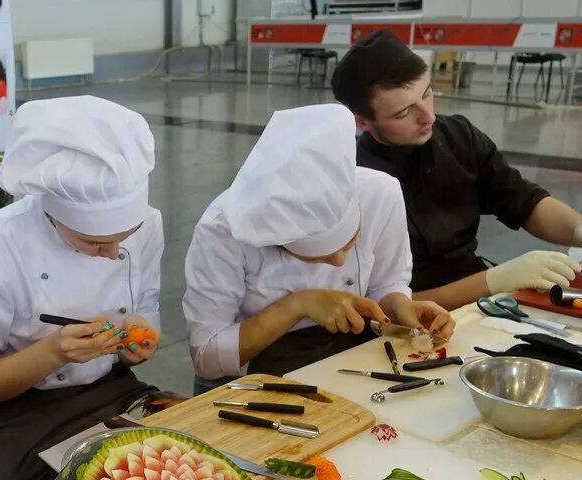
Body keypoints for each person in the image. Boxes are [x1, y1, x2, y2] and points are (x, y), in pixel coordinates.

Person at [331, 30, 582, 309]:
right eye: (404, 112)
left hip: (481, 301)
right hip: (411, 320)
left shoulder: (456, 137)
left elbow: (523, 201)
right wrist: (492, 281)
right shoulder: (353, 184)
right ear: (362, 121)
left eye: (427, 94)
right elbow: (381, 306)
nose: (427, 116)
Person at [0, 96, 163, 480]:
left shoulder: (147, 224)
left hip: (115, 389)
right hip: (21, 414)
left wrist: (141, 333)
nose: (112, 254)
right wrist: (54, 353)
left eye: (123, 239)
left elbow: (145, 304)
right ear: (54, 216)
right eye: (93, 244)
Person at [183, 104, 453, 392]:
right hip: (249, 382)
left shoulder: (380, 194)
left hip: (342, 360)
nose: (339, 262)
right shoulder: (223, 229)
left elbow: (386, 284)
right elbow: (207, 359)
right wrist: (298, 305)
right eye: (318, 256)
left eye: (349, 243)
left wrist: (400, 307)